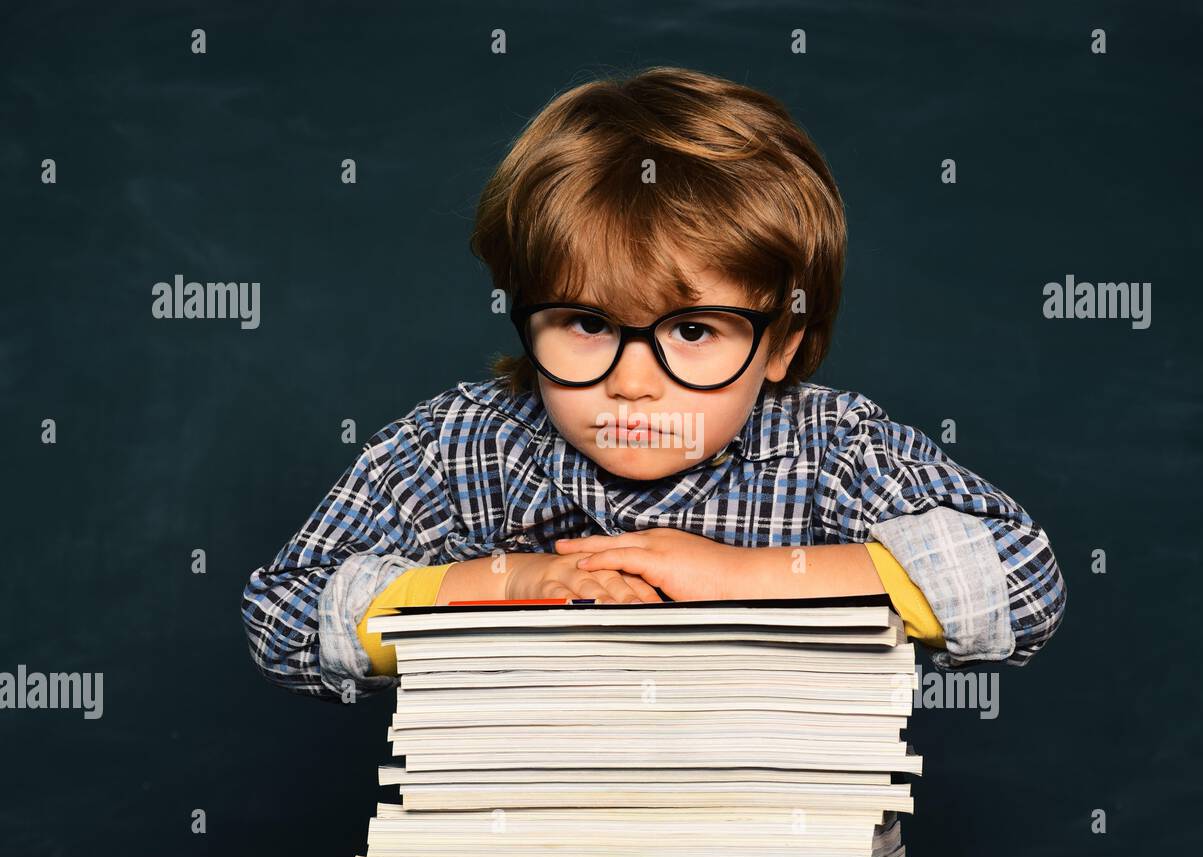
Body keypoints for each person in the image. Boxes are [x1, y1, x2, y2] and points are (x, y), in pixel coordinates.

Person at [241, 66, 1067, 710]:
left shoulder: (833, 450)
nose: (633, 383)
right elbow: (284, 616)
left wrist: (742, 576)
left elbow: (1022, 579)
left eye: (693, 331)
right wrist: (501, 583)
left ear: (780, 343)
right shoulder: (460, 447)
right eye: (588, 325)